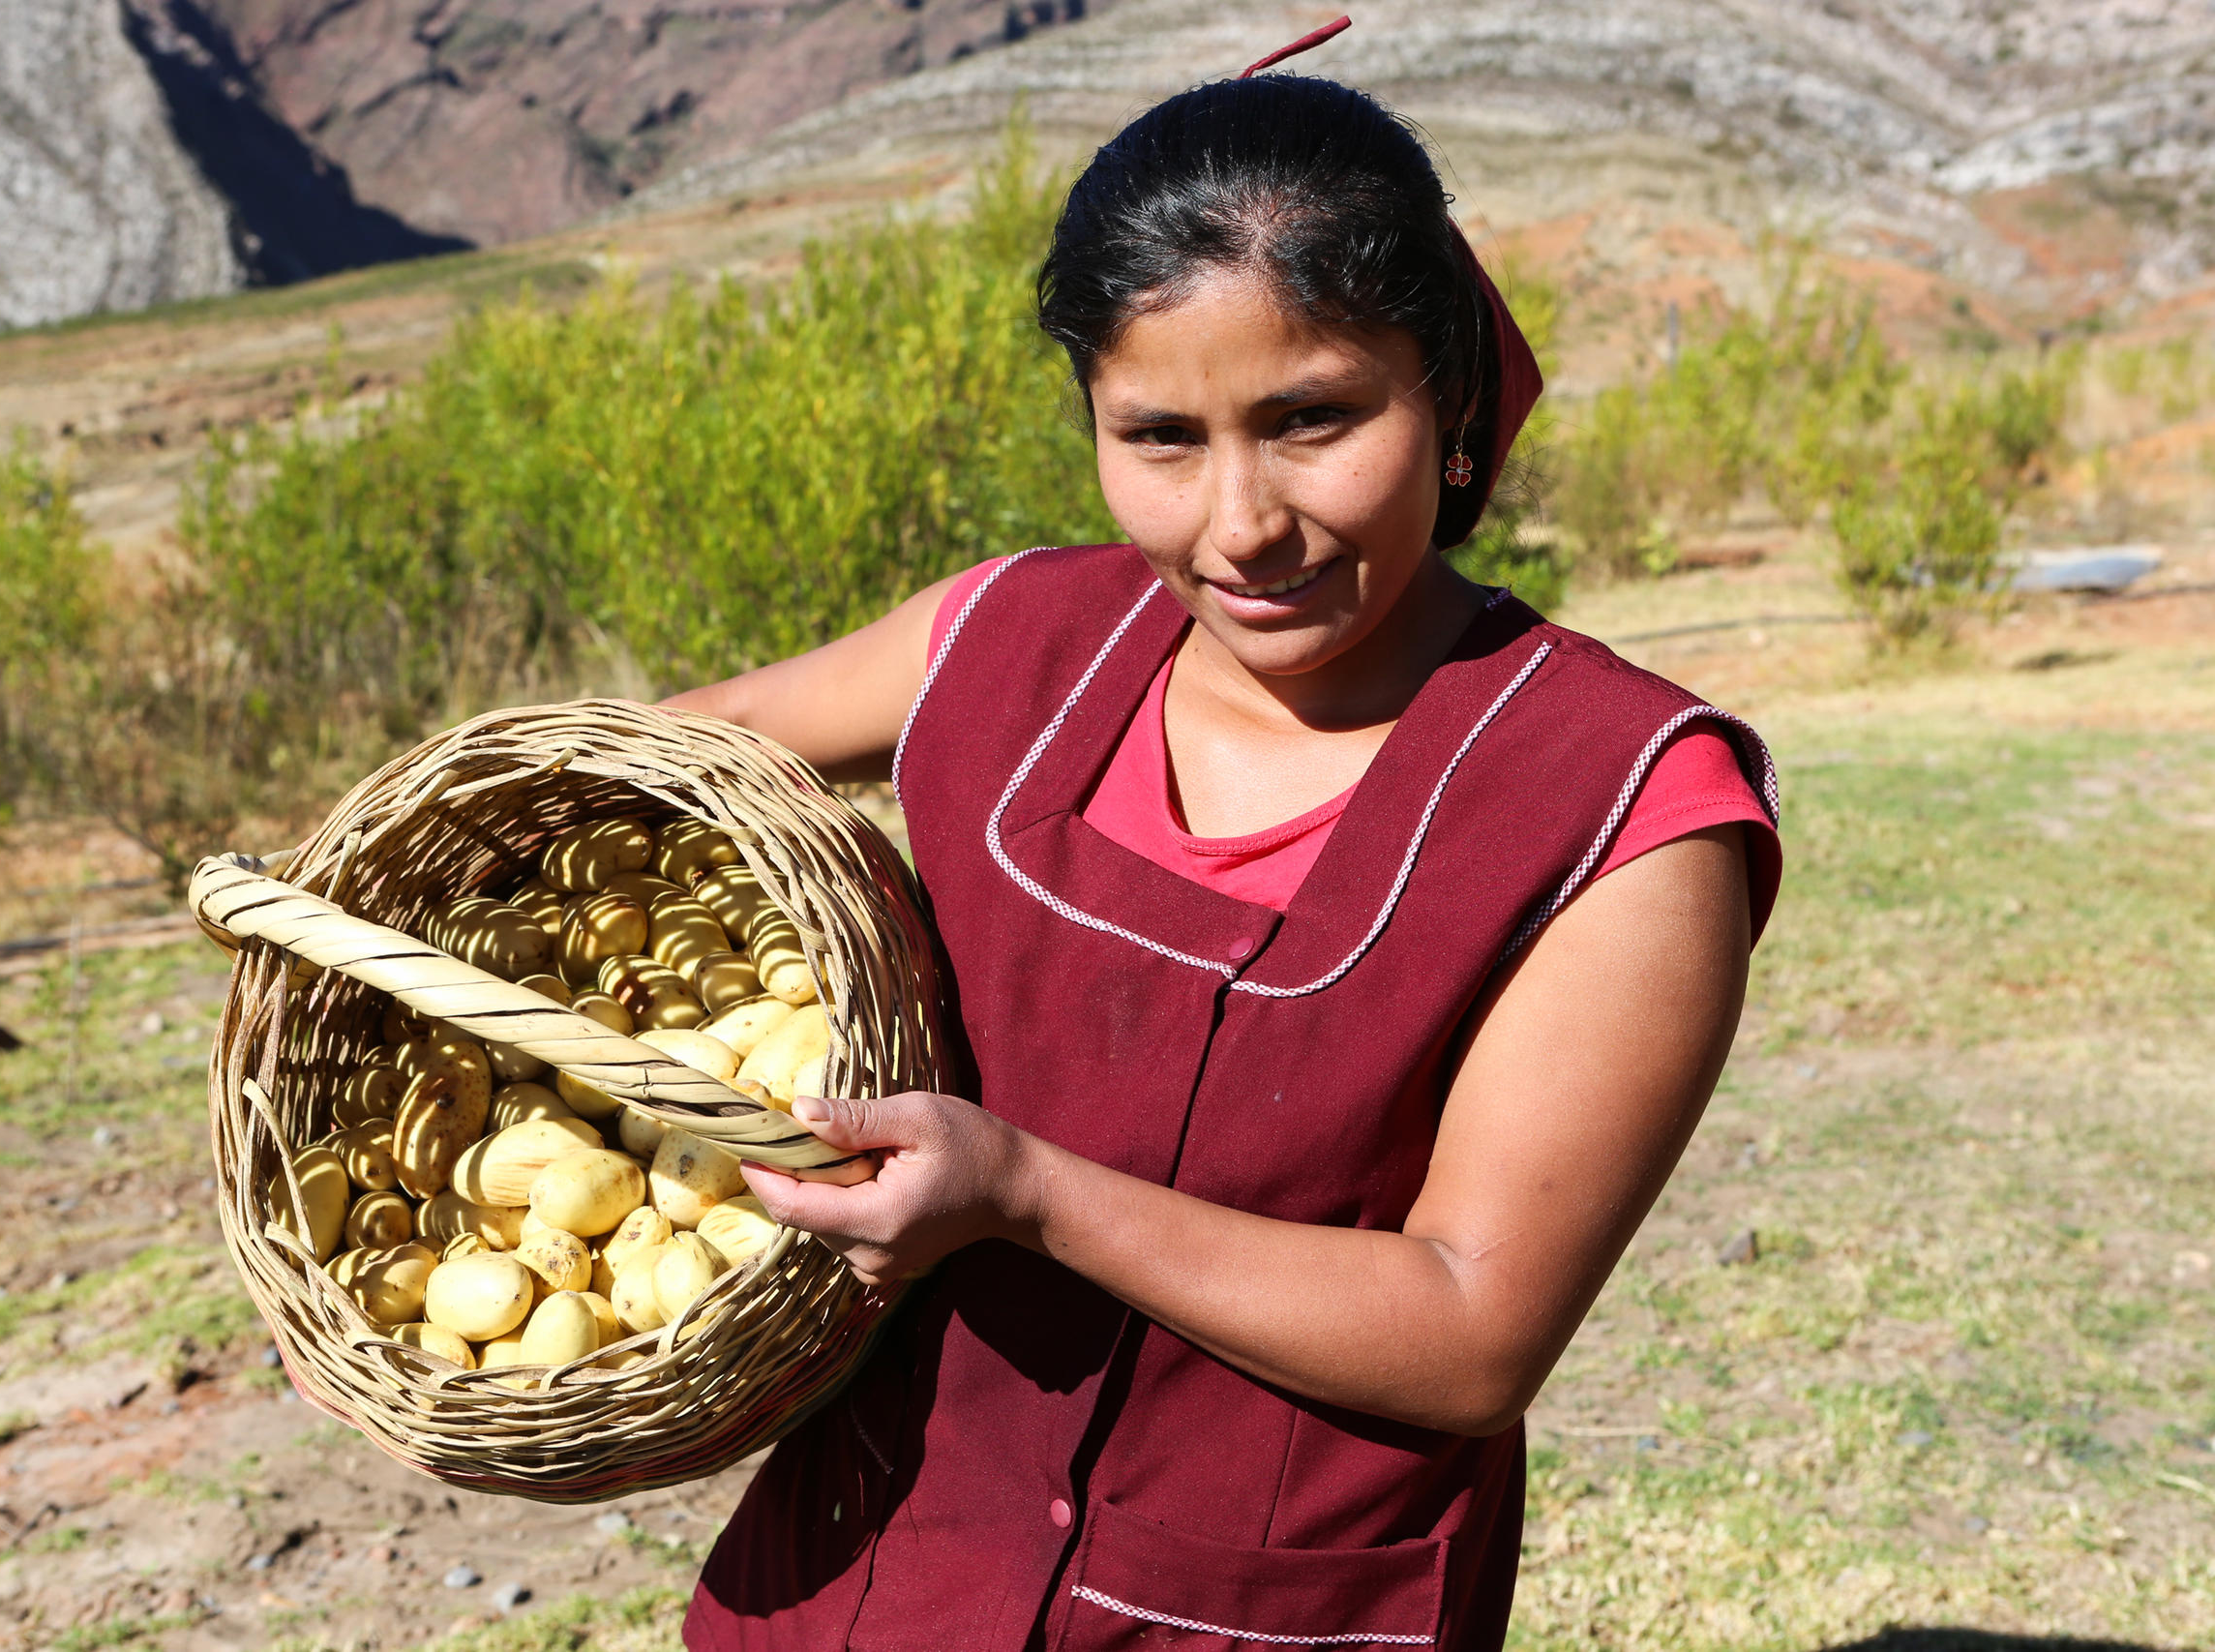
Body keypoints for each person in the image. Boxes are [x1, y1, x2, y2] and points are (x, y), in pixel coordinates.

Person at [667, 41, 1781, 1652]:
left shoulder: (1625, 805)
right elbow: (616, 787)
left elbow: (1473, 1329)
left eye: (1314, 418)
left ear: (1452, 396)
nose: (1240, 525)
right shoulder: (999, 641)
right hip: (862, 1581)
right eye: (1161, 437)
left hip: (1256, 1612)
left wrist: (1026, 1194)